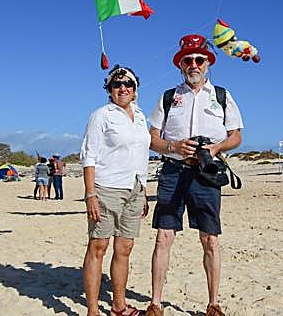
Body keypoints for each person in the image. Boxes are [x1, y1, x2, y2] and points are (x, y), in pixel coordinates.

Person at [144, 35, 243, 316]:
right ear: (180, 65)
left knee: (210, 239)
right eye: (188, 60)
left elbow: (236, 135)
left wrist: (217, 147)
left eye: (199, 59)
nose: (194, 65)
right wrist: (173, 146)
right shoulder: (168, 97)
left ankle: (213, 303)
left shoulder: (222, 96)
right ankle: (155, 303)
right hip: (173, 171)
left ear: (208, 63)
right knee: (164, 237)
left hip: (206, 174)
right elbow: (152, 138)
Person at [80, 65, 150, 316]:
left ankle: (119, 306)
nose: (123, 88)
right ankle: (92, 310)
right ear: (109, 90)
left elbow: (142, 154)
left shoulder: (141, 116)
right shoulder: (101, 115)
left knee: (125, 248)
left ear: (135, 89)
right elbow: (88, 156)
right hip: (106, 188)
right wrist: (90, 194)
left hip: (134, 188)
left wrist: (143, 190)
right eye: (117, 84)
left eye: (128, 84)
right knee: (98, 246)